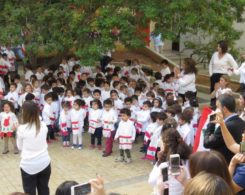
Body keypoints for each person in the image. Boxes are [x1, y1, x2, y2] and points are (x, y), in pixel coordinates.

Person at [17, 101, 51, 195]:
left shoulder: (22, 129)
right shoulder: (43, 125)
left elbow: (20, 147)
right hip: (44, 162)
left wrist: (18, 128)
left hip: (28, 165)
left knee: (29, 192)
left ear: (25, 113)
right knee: (44, 188)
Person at [148, 128, 191, 195]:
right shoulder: (186, 159)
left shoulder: (164, 164)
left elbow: (152, 181)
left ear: (165, 144)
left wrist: (158, 162)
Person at [204, 94, 245, 163]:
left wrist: (211, 123)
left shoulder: (227, 126)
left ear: (224, 109)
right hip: (235, 164)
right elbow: (233, 145)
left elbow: (207, 143)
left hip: (224, 166)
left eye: (217, 107)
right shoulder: (242, 121)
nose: (216, 110)